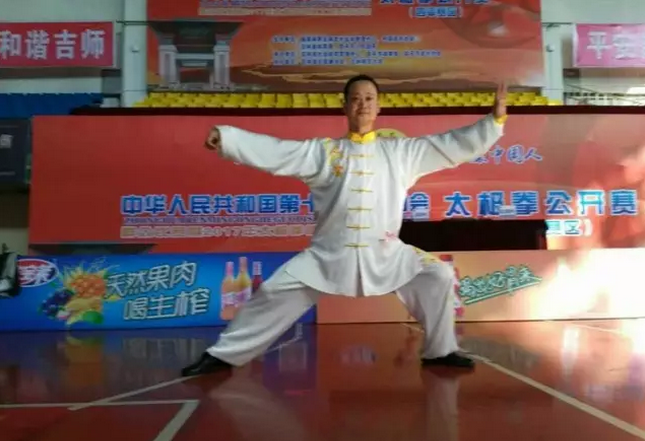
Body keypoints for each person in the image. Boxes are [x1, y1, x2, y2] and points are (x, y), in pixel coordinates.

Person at [182, 75, 508, 377]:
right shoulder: (323, 152)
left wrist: (492, 123)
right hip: (327, 255)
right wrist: (228, 138)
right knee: (272, 292)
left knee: (438, 275)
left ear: (379, 107)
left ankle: (441, 351)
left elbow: (449, 144)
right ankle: (223, 356)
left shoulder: (402, 152)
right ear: (345, 106)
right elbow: (276, 151)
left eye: (369, 98)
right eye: (355, 98)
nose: (362, 104)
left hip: (386, 253)